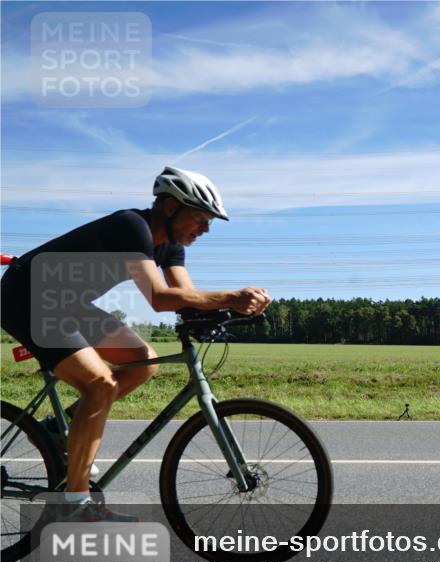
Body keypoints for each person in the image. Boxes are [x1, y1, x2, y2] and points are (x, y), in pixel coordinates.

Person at [0, 166, 271, 521]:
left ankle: (57, 428)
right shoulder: (132, 226)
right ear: (171, 207)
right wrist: (231, 297)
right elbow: (159, 297)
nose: (205, 229)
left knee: (144, 362)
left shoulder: (171, 247)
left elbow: (185, 297)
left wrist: (228, 311)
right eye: (201, 218)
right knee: (99, 384)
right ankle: (76, 505)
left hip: (65, 304)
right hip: (27, 297)